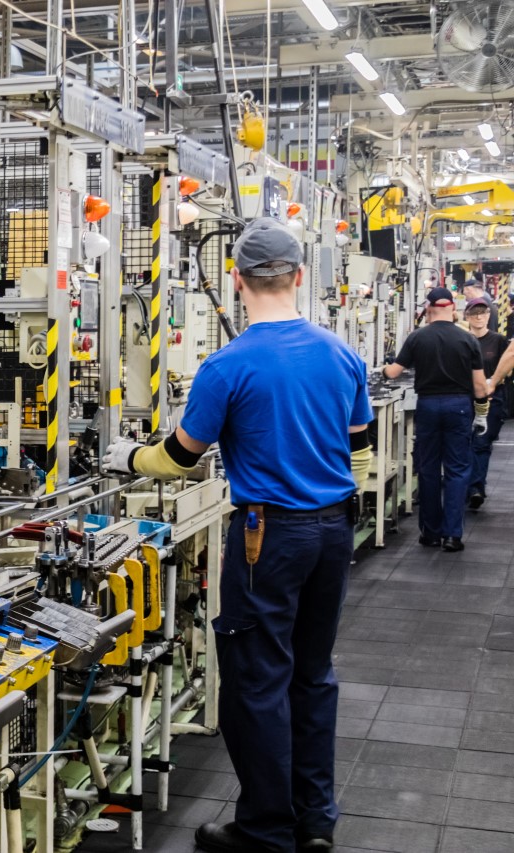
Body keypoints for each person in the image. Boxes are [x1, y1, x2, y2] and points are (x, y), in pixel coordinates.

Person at [103, 217, 372, 853]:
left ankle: (266, 830)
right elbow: (359, 451)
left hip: (266, 538)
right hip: (333, 530)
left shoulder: (227, 366)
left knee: (258, 681)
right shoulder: (342, 355)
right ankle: (315, 822)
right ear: (299, 276)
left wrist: (128, 457)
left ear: (236, 280)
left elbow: (179, 457)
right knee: (313, 675)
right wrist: (332, 502)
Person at [381, 287, 489, 551]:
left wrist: (383, 368)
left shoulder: (417, 337)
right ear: (452, 308)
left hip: (428, 406)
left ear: (428, 309)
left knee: (428, 469)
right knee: (457, 470)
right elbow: (479, 387)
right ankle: (452, 536)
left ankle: (430, 533)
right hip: (459, 406)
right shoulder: (468, 340)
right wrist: (481, 413)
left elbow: (393, 373)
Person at [463, 301, 508, 508]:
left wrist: (492, 384)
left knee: (481, 443)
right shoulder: (462, 340)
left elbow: (507, 368)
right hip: (465, 399)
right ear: (467, 316)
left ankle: (476, 489)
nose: (479, 317)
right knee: (465, 443)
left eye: (482, 313)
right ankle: (467, 485)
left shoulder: (499, 341)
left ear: (489, 315)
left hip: (492, 399)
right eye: (474, 313)